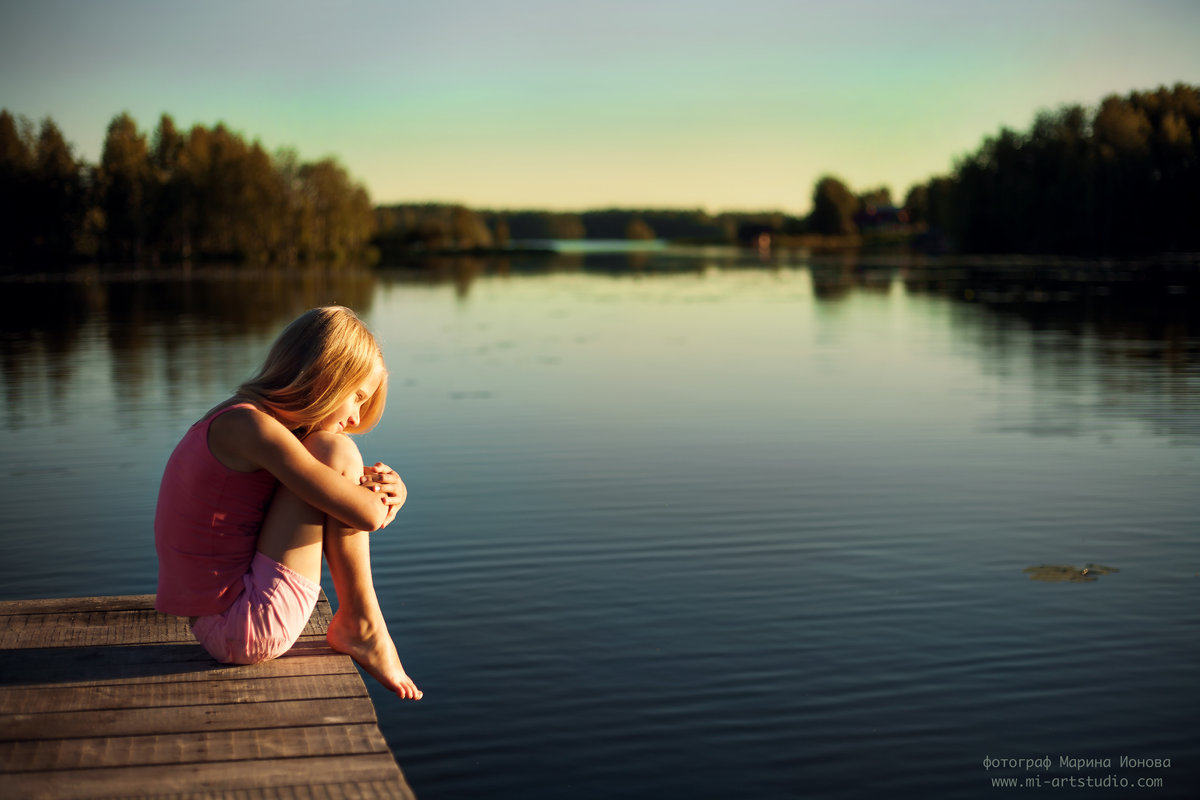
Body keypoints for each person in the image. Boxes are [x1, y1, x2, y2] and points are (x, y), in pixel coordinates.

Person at [154, 306, 422, 700]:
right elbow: (363, 513)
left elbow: (340, 496)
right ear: (329, 378)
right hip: (246, 624)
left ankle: (361, 623)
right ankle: (362, 625)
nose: (355, 417)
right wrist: (387, 497)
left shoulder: (240, 419)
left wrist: (387, 492)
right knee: (334, 450)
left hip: (227, 623)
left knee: (332, 457)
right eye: (357, 397)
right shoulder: (251, 429)